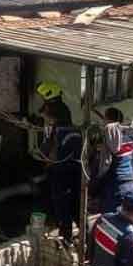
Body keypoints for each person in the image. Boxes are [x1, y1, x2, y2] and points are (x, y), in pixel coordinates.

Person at [41, 102, 83, 244]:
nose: (45, 117)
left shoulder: (55, 131)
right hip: (76, 172)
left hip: (60, 174)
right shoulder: (76, 130)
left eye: (46, 114)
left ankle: (66, 240)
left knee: (62, 210)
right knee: (77, 208)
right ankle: (87, 239)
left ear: (54, 117)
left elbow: (47, 154)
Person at [95, 107, 133, 214]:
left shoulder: (112, 136)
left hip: (115, 180)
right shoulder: (130, 136)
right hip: (128, 177)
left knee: (111, 213)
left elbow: (108, 154)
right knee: (126, 211)